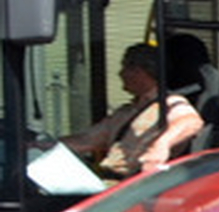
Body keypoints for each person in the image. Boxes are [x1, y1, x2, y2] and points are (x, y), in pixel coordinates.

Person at [64, 43, 204, 177]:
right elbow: (87, 140)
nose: (120, 74)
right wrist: (49, 145)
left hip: (135, 185)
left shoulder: (168, 103)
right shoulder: (125, 112)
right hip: (105, 180)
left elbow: (192, 122)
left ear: (144, 72)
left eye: (126, 68)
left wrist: (160, 146)